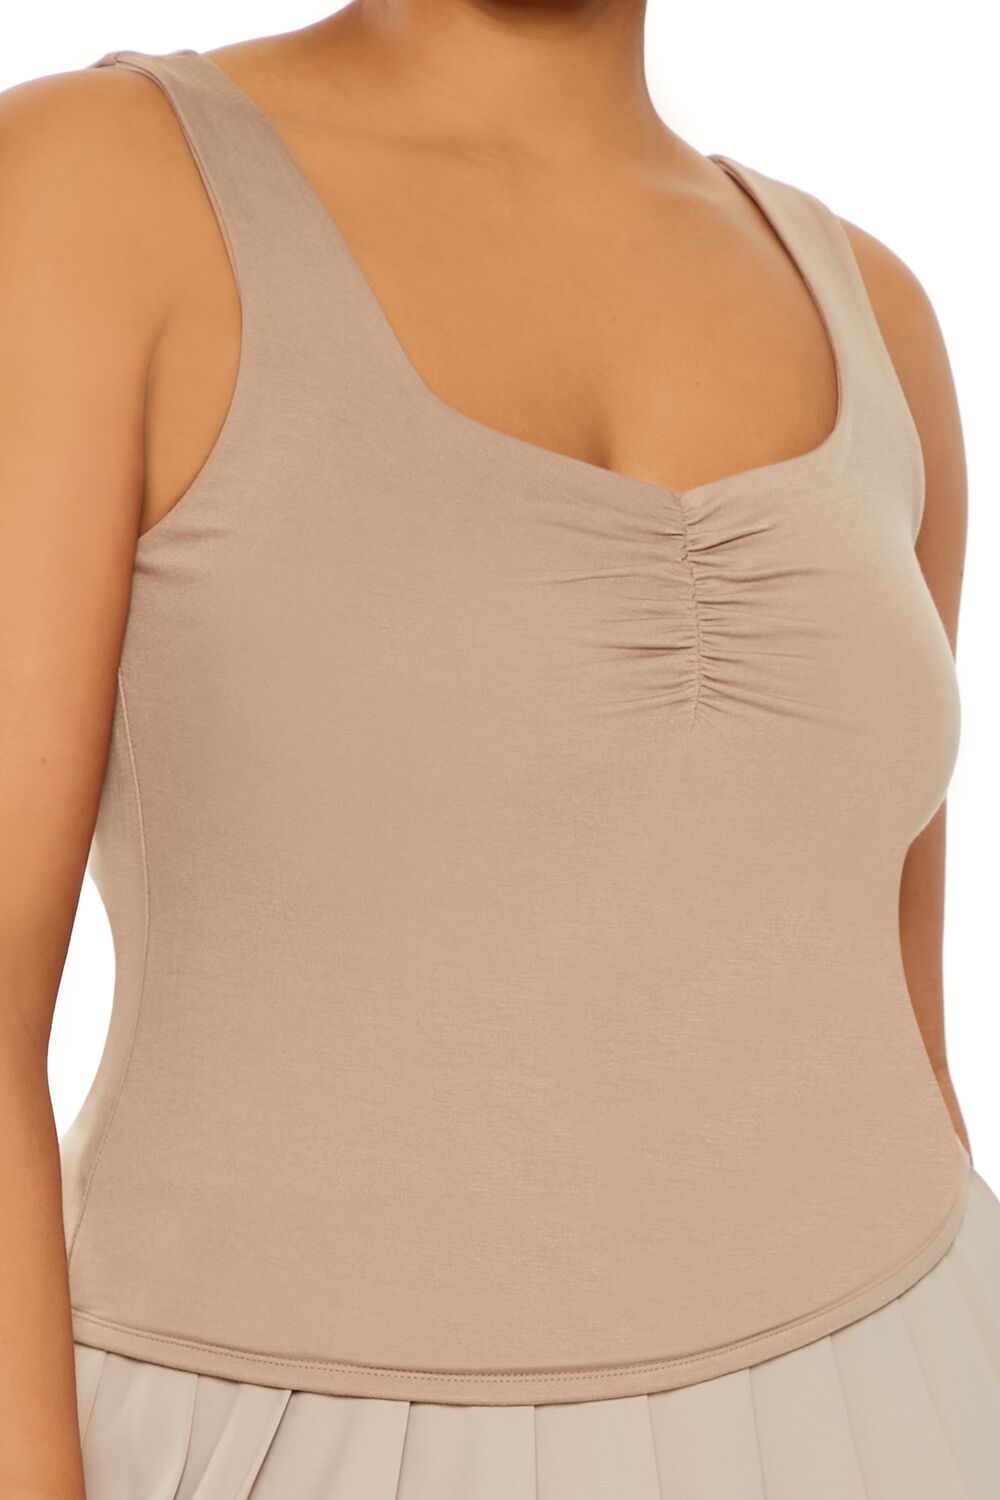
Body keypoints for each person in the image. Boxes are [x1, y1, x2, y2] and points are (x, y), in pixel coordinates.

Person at [1, 2, 997, 1496]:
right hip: (295, 1434)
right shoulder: (93, 192)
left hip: (915, 1382)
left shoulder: (879, 309)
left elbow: (900, 1015)